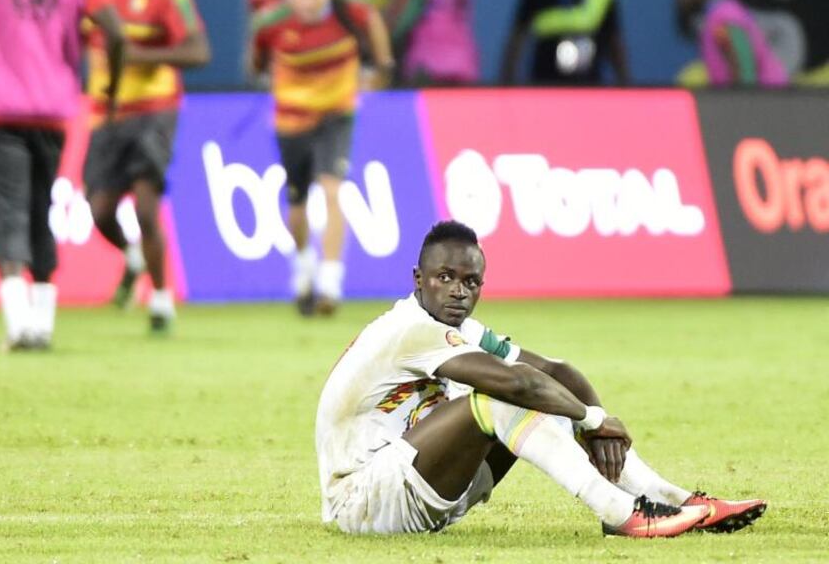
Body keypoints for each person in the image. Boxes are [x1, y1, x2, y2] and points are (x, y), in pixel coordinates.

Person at [316, 220, 767, 535]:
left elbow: (554, 371)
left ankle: (678, 501)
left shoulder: (461, 329)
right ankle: (622, 513)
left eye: (470, 282)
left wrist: (596, 424)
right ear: (419, 280)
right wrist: (591, 420)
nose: (458, 290)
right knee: (500, 396)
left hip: (420, 489)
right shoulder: (408, 330)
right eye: (444, 277)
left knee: (541, 390)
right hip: (363, 503)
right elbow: (519, 385)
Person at [0, 0, 125, 350]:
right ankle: (42, 324)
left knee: (8, 211)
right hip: (53, 110)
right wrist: (111, 87)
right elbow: (115, 33)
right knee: (41, 211)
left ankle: (19, 323)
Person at [251, 0, 393, 316]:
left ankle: (330, 283)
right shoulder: (270, 23)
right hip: (292, 121)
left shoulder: (352, 9)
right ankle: (303, 265)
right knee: (297, 203)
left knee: (332, 190)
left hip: (337, 115)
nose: (307, 2)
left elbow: (377, 38)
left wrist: (382, 70)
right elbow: (257, 64)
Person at [83, 0, 210, 333]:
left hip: (154, 110)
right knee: (100, 211)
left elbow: (199, 52)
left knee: (145, 208)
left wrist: (140, 56)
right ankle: (132, 257)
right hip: (106, 113)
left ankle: (160, 299)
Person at [501, 0, 629, 86]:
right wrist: (508, 83)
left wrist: (624, 81)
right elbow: (516, 41)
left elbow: (615, 44)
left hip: (589, 87)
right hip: (545, 85)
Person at [676, 0, 788, 88]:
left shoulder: (722, 14)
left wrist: (743, 99)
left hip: (767, 99)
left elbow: (745, 66)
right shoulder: (718, 12)